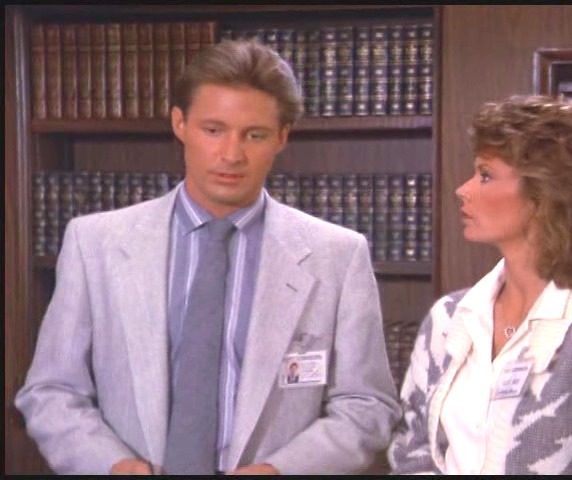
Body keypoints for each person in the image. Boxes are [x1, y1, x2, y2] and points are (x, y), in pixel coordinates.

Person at [15, 39, 400, 475]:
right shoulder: (95, 243)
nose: (232, 155)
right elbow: (52, 391)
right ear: (180, 123)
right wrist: (112, 465)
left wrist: (281, 471)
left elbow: (367, 405)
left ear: (281, 137)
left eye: (254, 135)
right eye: (214, 130)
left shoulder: (338, 256)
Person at [388, 95, 572, 474]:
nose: (462, 189)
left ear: (545, 196)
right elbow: (412, 453)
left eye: (485, 175)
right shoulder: (448, 320)